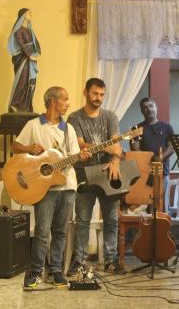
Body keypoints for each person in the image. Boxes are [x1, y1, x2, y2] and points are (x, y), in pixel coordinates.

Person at [11, 86, 90, 288]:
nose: (68, 103)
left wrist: (81, 156)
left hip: (68, 186)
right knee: (42, 231)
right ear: (53, 102)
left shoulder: (69, 129)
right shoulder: (33, 125)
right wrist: (29, 148)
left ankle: (55, 271)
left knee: (61, 231)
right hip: (43, 188)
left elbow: (73, 157)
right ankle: (37, 271)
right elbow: (15, 146)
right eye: (65, 99)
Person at [66, 78, 125, 276]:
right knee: (82, 219)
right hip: (83, 174)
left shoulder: (110, 117)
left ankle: (111, 260)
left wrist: (115, 161)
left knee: (111, 219)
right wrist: (111, 147)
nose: (98, 98)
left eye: (102, 95)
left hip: (108, 174)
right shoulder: (74, 118)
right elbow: (82, 144)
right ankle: (79, 261)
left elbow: (118, 146)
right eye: (95, 94)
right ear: (86, 93)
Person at [130, 97, 175, 194]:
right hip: (144, 173)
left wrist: (160, 158)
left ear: (156, 107)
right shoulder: (136, 129)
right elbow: (135, 148)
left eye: (151, 106)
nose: (149, 109)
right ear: (142, 111)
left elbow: (172, 147)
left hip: (163, 172)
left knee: (162, 205)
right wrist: (148, 160)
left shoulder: (167, 127)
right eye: (145, 107)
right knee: (144, 204)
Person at [7, 8, 41, 112]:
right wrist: (29, 55)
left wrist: (35, 54)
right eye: (28, 13)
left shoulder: (30, 31)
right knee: (22, 81)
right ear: (23, 16)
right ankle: (15, 105)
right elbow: (22, 45)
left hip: (31, 60)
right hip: (23, 60)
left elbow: (34, 44)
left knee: (30, 82)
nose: (31, 14)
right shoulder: (19, 31)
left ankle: (26, 106)